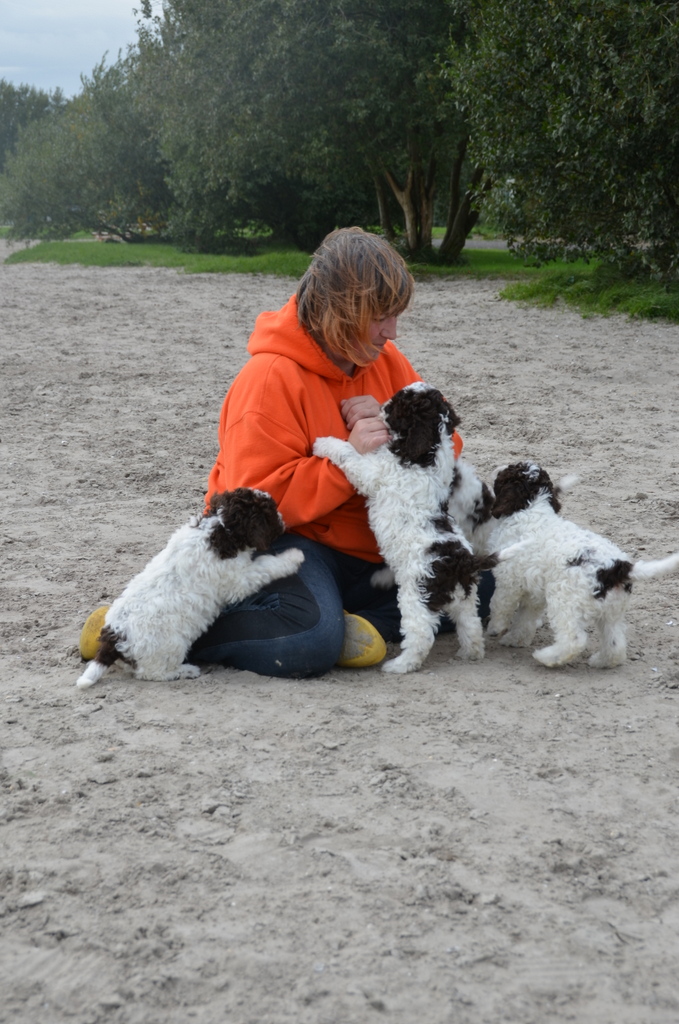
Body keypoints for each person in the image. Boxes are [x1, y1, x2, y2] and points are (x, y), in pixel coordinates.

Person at [187, 226, 466, 678]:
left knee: (483, 579)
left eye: (395, 316)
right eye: (381, 317)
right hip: (294, 542)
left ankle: (356, 626)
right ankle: (150, 626)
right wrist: (347, 463)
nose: (392, 332)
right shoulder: (268, 378)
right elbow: (250, 506)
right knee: (308, 641)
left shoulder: (383, 358)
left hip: (372, 545)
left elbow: (448, 439)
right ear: (340, 309)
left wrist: (394, 423)